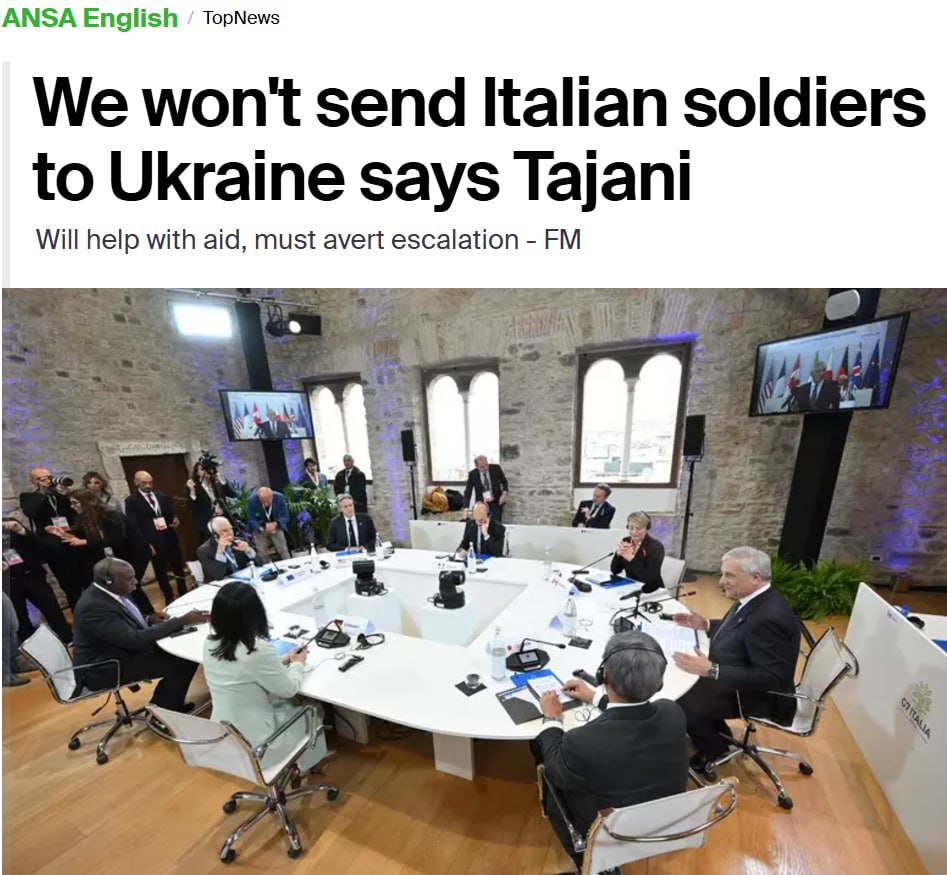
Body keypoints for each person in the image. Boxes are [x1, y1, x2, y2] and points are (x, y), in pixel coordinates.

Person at [533, 630, 689, 872]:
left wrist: (552, 719)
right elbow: (632, 712)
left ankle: (592, 865)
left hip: (610, 830)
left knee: (547, 764)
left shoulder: (582, 742)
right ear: (658, 682)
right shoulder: (672, 712)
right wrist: (595, 698)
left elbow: (554, 765)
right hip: (664, 822)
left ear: (603, 674)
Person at [670, 546, 800, 771]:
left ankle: (714, 750)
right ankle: (717, 730)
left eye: (729, 575)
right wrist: (706, 624)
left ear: (755, 578)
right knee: (687, 683)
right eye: (722, 574)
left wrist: (712, 670)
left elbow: (771, 678)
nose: (722, 582)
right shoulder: (756, 598)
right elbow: (740, 630)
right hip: (737, 676)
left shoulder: (769, 619)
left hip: (756, 696)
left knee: (682, 699)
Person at [203, 582, 328, 772]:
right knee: (314, 708)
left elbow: (246, 670)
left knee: (285, 703)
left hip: (225, 738)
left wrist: (284, 660)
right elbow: (289, 689)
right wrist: (298, 663)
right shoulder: (257, 650)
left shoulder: (210, 644)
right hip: (261, 746)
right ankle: (310, 765)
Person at [71, 558, 209, 711]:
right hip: (104, 668)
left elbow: (122, 622)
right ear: (108, 580)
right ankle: (163, 713)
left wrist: (149, 619)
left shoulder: (112, 591)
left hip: (119, 651)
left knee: (180, 653)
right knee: (181, 661)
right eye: (130, 578)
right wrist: (181, 621)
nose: (136, 582)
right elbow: (134, 640)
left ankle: (164, 706)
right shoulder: (93, 606)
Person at [48, 488, 157, 616]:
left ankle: (149, 615)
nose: (72, 506)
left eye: (75, 503)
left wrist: (85, 542)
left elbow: (115, 540)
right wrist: (62, 534)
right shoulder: (82, 518)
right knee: (125, 587)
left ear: (88, 502)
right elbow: (76, 534)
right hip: (120, 555)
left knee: (130, 585)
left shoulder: (111, 515)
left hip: (135, 553)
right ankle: (138, 616)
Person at [18, 466, 84, 609]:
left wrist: (66, 494)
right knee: (70, 587)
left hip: (74, 541)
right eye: (40, 479)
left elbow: (76, 513)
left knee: (86, 579)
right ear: (33, 481)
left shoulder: (60, 494)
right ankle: (80, 614)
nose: (46, 481)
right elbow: (31, 511)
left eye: (48, 477)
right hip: (55, 548)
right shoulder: (29, 497)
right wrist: (42, 491)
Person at [2, 519, 72, 644]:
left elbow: (36, 544)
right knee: (20, 617)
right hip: (9, 582)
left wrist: (21, 530)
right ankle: (33, 647)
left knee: (51, 608)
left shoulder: (10, 524)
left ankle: (67, 638)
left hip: (32, 575)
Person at [125, 470, 190, 603]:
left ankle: (183, 591)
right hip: (152, 540)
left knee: (177, 565)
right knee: (161, 569)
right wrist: (145, 544)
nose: (148, 486)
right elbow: (133, 525)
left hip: (169, 536)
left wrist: (174, 519)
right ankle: (168, 596)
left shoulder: (161, 496)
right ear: (136, 483)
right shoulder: (132, 501)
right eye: (144, 483)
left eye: (150, 482)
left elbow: (169, 514)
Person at [609, 511, 665, 592]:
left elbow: (648, 579)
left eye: (638, 528)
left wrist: (631, 559)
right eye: (631, 528)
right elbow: (615, 570)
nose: (634, 532)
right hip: (631, 586)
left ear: (646, 528)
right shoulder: (626, 541)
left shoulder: (656, 547)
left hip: (651, 589)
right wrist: (618, 555)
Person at [197, 518, 264, 582]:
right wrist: (220, 551)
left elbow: (260, 563)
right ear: (215, 534)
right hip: (220, 585)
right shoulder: (204, 551)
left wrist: (248, 550)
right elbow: (218, 576)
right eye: (225, 530)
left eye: (231, 529)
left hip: (242, 581)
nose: (230, 533)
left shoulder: (239, 541)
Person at [186, 460, 237, 539]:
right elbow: (191, 506)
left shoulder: (216, 482)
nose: (206, 471)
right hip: (208, 523)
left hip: (223, 518)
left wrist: (221, 480)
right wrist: (192, 491)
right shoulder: (195, 487)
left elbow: (233, 495)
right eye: (202, 469)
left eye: (207, 468)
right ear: (197, 473)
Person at [247, 486, 292, 561]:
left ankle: (289, 564)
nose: (266, 504)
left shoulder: (279, 497)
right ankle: (267, 566)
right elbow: (251, 519)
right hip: (260, 528)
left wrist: (276, 524)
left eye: (268, 501)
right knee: (262, 552)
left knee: (283, 549)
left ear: (272, 496)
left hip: (276, 526)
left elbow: (285, 516)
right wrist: (260, 528)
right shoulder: (252, 500)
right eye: (263, 501)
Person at [462, 455, 508, 522]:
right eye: (482, 467)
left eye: (486, 465)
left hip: (496, 501)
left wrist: (504, 494)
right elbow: (468, 492)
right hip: (481, 502)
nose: (485, 468)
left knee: (496, 522)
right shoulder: (472, 474)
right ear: (476, 466)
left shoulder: (496, 469)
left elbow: (504, 482)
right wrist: (466, 507)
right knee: (481, 522)